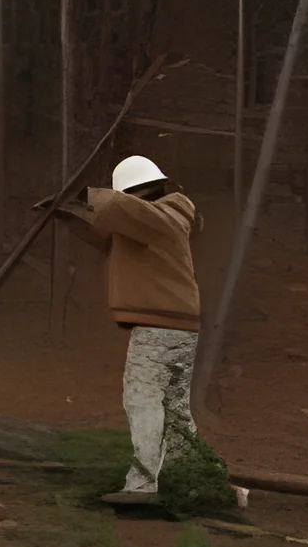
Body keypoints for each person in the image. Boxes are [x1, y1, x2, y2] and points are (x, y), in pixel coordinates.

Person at [48, 151, 201, 506]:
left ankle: (143, 485)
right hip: (179, 327)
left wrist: (87, 195)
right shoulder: (156, 223)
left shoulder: (163, 214)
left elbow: (119, 208)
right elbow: (106, 233)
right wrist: (68, 213)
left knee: (143, 399)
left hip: (158, 327)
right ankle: (186, 474)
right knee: (174, 406)